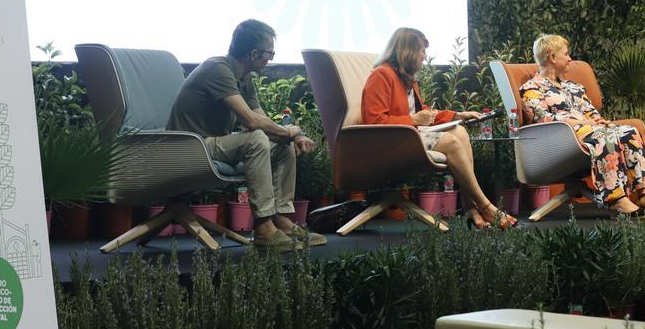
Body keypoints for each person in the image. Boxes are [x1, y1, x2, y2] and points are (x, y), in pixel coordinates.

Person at [168, 19, 326, 250]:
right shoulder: (218, 69)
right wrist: (291, 131)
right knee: (257, 139)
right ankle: (263, 226)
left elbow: (264, 120)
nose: (271, 59)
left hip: (214, 143)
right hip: (192, 146)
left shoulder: (244, 78)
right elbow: (251, 121)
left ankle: (281, 219)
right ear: (254, 53)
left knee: (282, 145)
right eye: (269, 53)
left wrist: (293, 136)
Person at [361, 28, 517, 229]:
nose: (425, 56)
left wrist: (457, 115)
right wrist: (412, 119)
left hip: (408, 136)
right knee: (451, 142)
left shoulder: (407, 78)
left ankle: (471, 209)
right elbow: (373, 122)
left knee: (460, 131)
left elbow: (424, 114)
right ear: (408, 52)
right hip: (389, 143)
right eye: (422, 51)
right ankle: (486, 206)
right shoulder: (381, 75)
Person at [519, 34, 645, 216]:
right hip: (561, 139)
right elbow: (543, 119)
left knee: (630, 132)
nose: (570, 59)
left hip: (590, 131)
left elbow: (591, 112)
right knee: (603, 136)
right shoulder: (531, 89)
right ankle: (616, 199)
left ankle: (644, 194)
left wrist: (598, 120)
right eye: (566, 54)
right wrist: (585, 122)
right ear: (552, 57)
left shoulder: (573, 87)